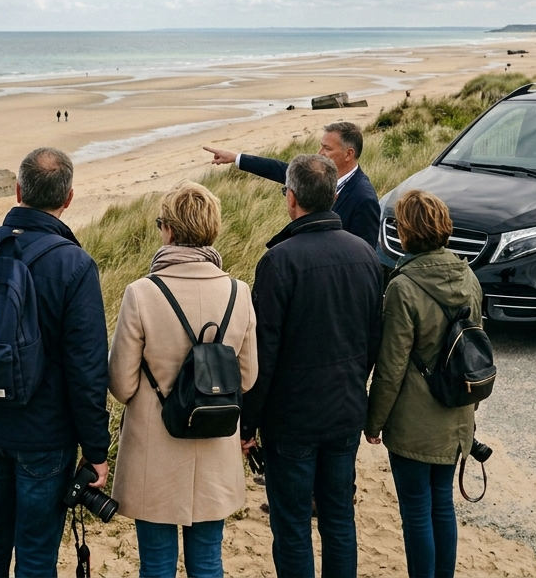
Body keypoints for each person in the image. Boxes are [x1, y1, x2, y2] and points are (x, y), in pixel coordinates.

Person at [0, 147, 111, 578]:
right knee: (34, 553)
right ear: (68, 198)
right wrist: (97, 450)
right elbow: (86, 369)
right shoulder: (75, 264)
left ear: (16, 191)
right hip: (44, 434)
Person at [241, 154, 384, 578]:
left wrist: (248, 424)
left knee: (292, 523)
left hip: (293, 419)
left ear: (291, 198)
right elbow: (373, 339)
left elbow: (262, 354)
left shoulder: (279, 262)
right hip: (344, 409)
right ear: (334, 194)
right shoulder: (366, 255)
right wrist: (356, 384)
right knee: (339, 517)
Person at [109, 182, 258, 578]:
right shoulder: (238, 292)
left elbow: (121, 385)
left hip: (154, 449)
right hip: (214, 443)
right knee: (208, 563)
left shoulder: (142, 293)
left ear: (169, 231)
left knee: (156, 565)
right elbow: (246, 377)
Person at [364, 190, 481, 578]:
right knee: (441, 506)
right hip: (456, 412)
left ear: (406, 232)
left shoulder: (403, 287)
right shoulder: (468, 277)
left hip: (415, 423)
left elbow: (392, 364)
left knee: (416, 512)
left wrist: (374, 421)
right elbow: (474, 348)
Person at [203, 121, 380, 249]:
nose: (319, 153)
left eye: (327, 148)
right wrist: (236, 158)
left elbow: (366, 256)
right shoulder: (319, 175)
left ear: (348, 154)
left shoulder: (364, 198)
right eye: (321, 146)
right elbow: (278, 169)